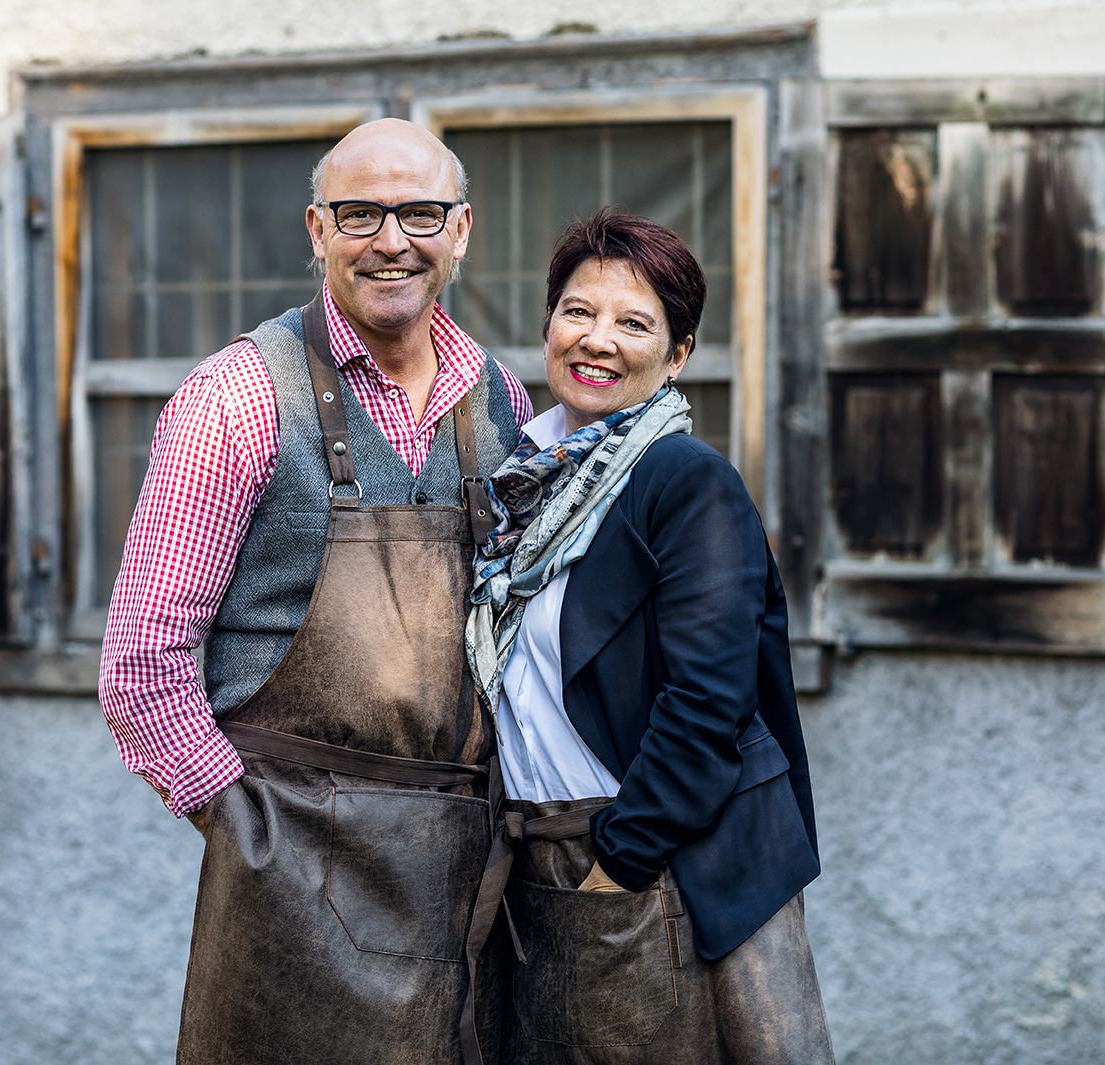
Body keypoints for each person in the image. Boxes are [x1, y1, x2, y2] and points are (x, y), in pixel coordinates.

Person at [100, 118, 531, 1065]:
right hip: (289, 864)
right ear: (315, 228)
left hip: (467, 870)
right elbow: (142, 667)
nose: (391, 240)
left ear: (461, 230)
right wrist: (250, 832)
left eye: (419, 213)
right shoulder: (238, 396)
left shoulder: (503, 402)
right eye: (359, 213)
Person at [466, 209, 834, 1063]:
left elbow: (708, 701)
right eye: (577, 311)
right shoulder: (522, 488)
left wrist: (617, 866)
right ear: (548, 324)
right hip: (541, 867)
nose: (597, 340)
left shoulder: (683, 481)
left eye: (634, 323)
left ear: (676, 356)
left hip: (654, 865)